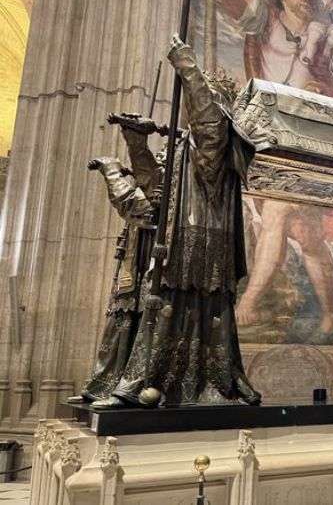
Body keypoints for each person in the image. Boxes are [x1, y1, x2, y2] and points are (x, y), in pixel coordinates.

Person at [91, 36, 261, 408]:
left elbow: (209, 119)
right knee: (161, 308)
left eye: (200, 98)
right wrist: (135, 142)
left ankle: (173, 384)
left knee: (179, 308)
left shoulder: (215, 140)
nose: (192, 105)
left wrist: (185, 64)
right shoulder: (185, 144)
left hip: (202, 240)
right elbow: (154, 191)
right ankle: (148, 383)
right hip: (175, 240)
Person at [212, 0, 333, 332]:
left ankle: (245, 306)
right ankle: (331, 315)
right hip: (270, 145)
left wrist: (318, 108)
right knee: (307, 235)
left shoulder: (330, 40)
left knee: (278, 212)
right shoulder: (266, 23)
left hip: (307, 148)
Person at [70, 115, 163, 402]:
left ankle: (129, 390)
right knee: (121, 321)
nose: (155, 164)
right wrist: (132, 139)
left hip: (155, 264)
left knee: (144, 323)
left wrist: (111, 171)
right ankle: (103, 383)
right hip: (134, 261)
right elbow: (140, 195)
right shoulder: (148, 184)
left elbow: (143, 211)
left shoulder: (174, 193)